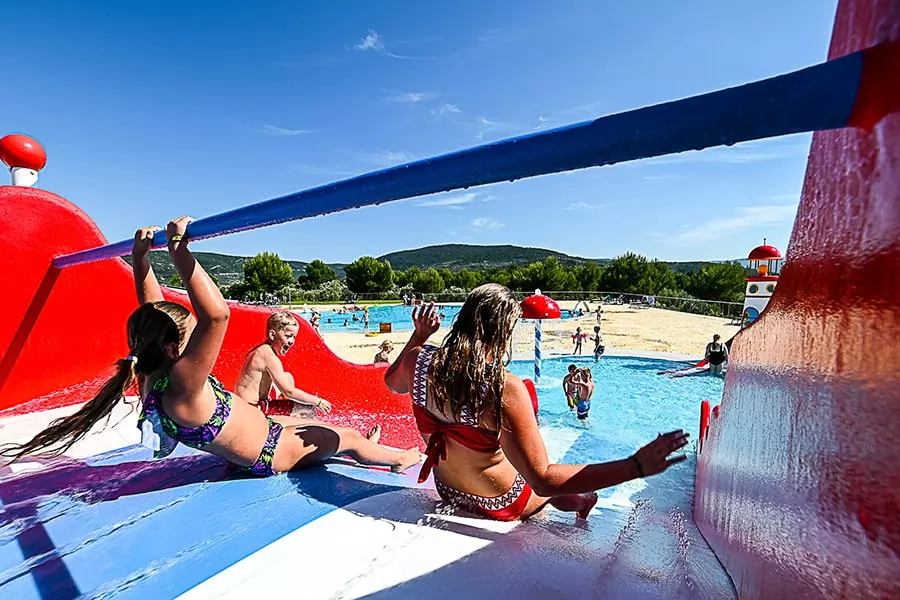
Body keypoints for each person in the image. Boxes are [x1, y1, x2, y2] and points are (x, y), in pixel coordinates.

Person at [0, 220, 421, 476]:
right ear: (171, 348)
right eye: (184, 339)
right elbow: (217, 315)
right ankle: (396, 457)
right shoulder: (183, 382)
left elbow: (152, 310)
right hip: (269, 456)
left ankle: (368, 446)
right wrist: (182, 252)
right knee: (343, 436)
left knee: (317, 433)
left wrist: (141, 259)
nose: (190, 346)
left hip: (263, 440)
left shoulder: (151, 374)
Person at [385, 285, 689, 522]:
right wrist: (635, 466)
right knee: (540, 475)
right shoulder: (503, 386)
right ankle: (584, 501)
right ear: (504, 331)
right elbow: (543, 480)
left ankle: (580, 498)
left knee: (521, 460)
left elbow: (391, 383)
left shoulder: (418, 360)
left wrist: (419, 336)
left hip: (450, 491)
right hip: (500, 502)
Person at [235, 311, 333, 419]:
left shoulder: (259, 350)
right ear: (272, 335)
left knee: (287, 377)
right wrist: (318, 401)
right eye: (288, 336)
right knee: (307, 409)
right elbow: (288, 392)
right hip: (253, 410)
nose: (292, 341)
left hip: (242, 404)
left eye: (294, 337)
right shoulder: (269, 357)